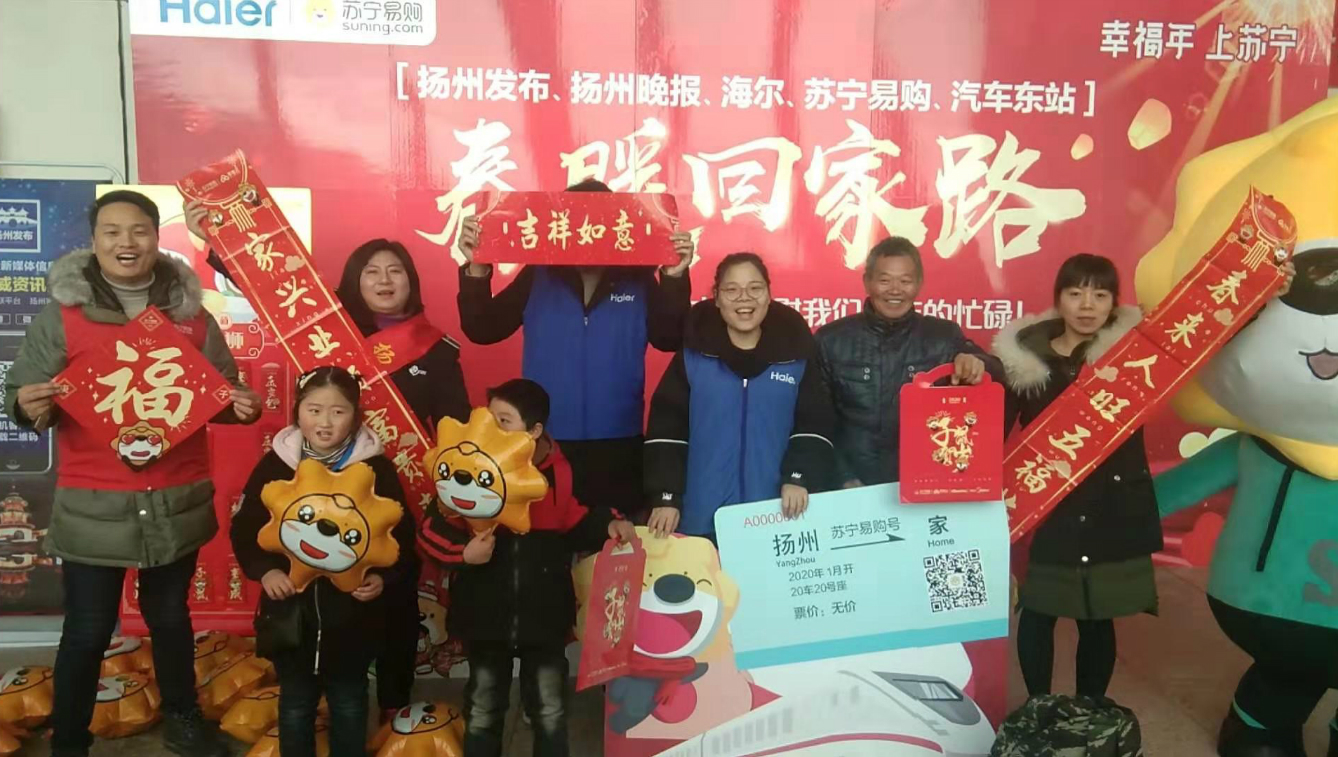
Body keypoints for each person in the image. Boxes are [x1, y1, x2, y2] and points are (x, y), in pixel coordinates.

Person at [4, 190, 261, 757]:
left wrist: (240, 404)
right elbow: (19, 394)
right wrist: (26, 403)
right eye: (113, 231)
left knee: (170, 618)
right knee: (88, 628)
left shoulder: (192, 318)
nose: (127, 242)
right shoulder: (63, 317)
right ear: (94, 241)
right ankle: (70, 740)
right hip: (94, 501)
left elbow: (221, 390)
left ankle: (183, 722)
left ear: (156, 238)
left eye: (139, 230)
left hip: (175, 498)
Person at [456, 180, 695, 517]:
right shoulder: (538, 275)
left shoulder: (638, 279)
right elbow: (482, 329)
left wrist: (673, 276)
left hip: (620, 442)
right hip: (545, 442)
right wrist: (477, 267)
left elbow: (668, 338)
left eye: (598, 221)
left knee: (616, 540)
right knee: (548, 538)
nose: (587, 231)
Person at [991, 254, 1161, 699]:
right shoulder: (1023, 360)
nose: (1087, 305)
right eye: (1075, 293)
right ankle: (1039, 708)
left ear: (1114, 303)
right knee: (1038, 612)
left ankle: (1091, 710)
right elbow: (993, 428)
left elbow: (1211, 328)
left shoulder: (1135, 352)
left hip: (1111, 504)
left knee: (1097, 617)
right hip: (1047, 506)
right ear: (1058, 299)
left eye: (1100, 295)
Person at [439, 378, 635, 757]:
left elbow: (576, 518)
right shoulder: (464, 469)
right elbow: (432, 530)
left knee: (549, 712)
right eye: (489, 418)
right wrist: (464, 553)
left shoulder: (560, 470)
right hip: (485, 619)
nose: (492, 427)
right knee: (482, 712)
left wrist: (610, 523)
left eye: (504, 420)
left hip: (544, 619)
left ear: (534, 430)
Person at [230, 366, 418, 757]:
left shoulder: (375, 470)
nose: (325, 422)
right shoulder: (277, 465)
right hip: (290, 616)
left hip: (353, 619)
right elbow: (245, 529)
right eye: (314, 410)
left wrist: (383, 579)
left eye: (338, 411)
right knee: (296, 703)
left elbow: (402, 538)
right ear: (297, 411)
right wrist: (266, 572)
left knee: (349, 701)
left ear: (356, 416)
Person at [332, 237, 471, 719]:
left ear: (411, 281)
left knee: (396, 605)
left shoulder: (434, 349)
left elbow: (455, 426)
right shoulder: (330, 337)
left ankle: (394, 705)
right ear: (354, 282)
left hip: (404, 494)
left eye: (395, 271)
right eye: (372, 271)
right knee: (334, 600)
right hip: (333, 489)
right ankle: (340, 707)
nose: (385, 280)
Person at [642, 252, 835, 539]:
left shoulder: (795, 356)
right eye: (731, 290)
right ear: (717, 298)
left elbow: (814, 424)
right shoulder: (693, 358)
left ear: (769, 295)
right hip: (700, 516)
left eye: (755, 288)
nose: (744, 298)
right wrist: (666, 496)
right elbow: (667, 430)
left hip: (775, 516)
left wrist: (799, 476)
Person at [814, 236, 1002, 488]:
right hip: (851, 487)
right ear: (867, 282)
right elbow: (816, 419)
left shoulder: (943, 337)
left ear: (919, 283)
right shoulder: (831, 340)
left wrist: (976, 362)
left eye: (905, 281)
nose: (895, 290)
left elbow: (997, 374)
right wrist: (843, 477)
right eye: (884, 280)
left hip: (925, 485)